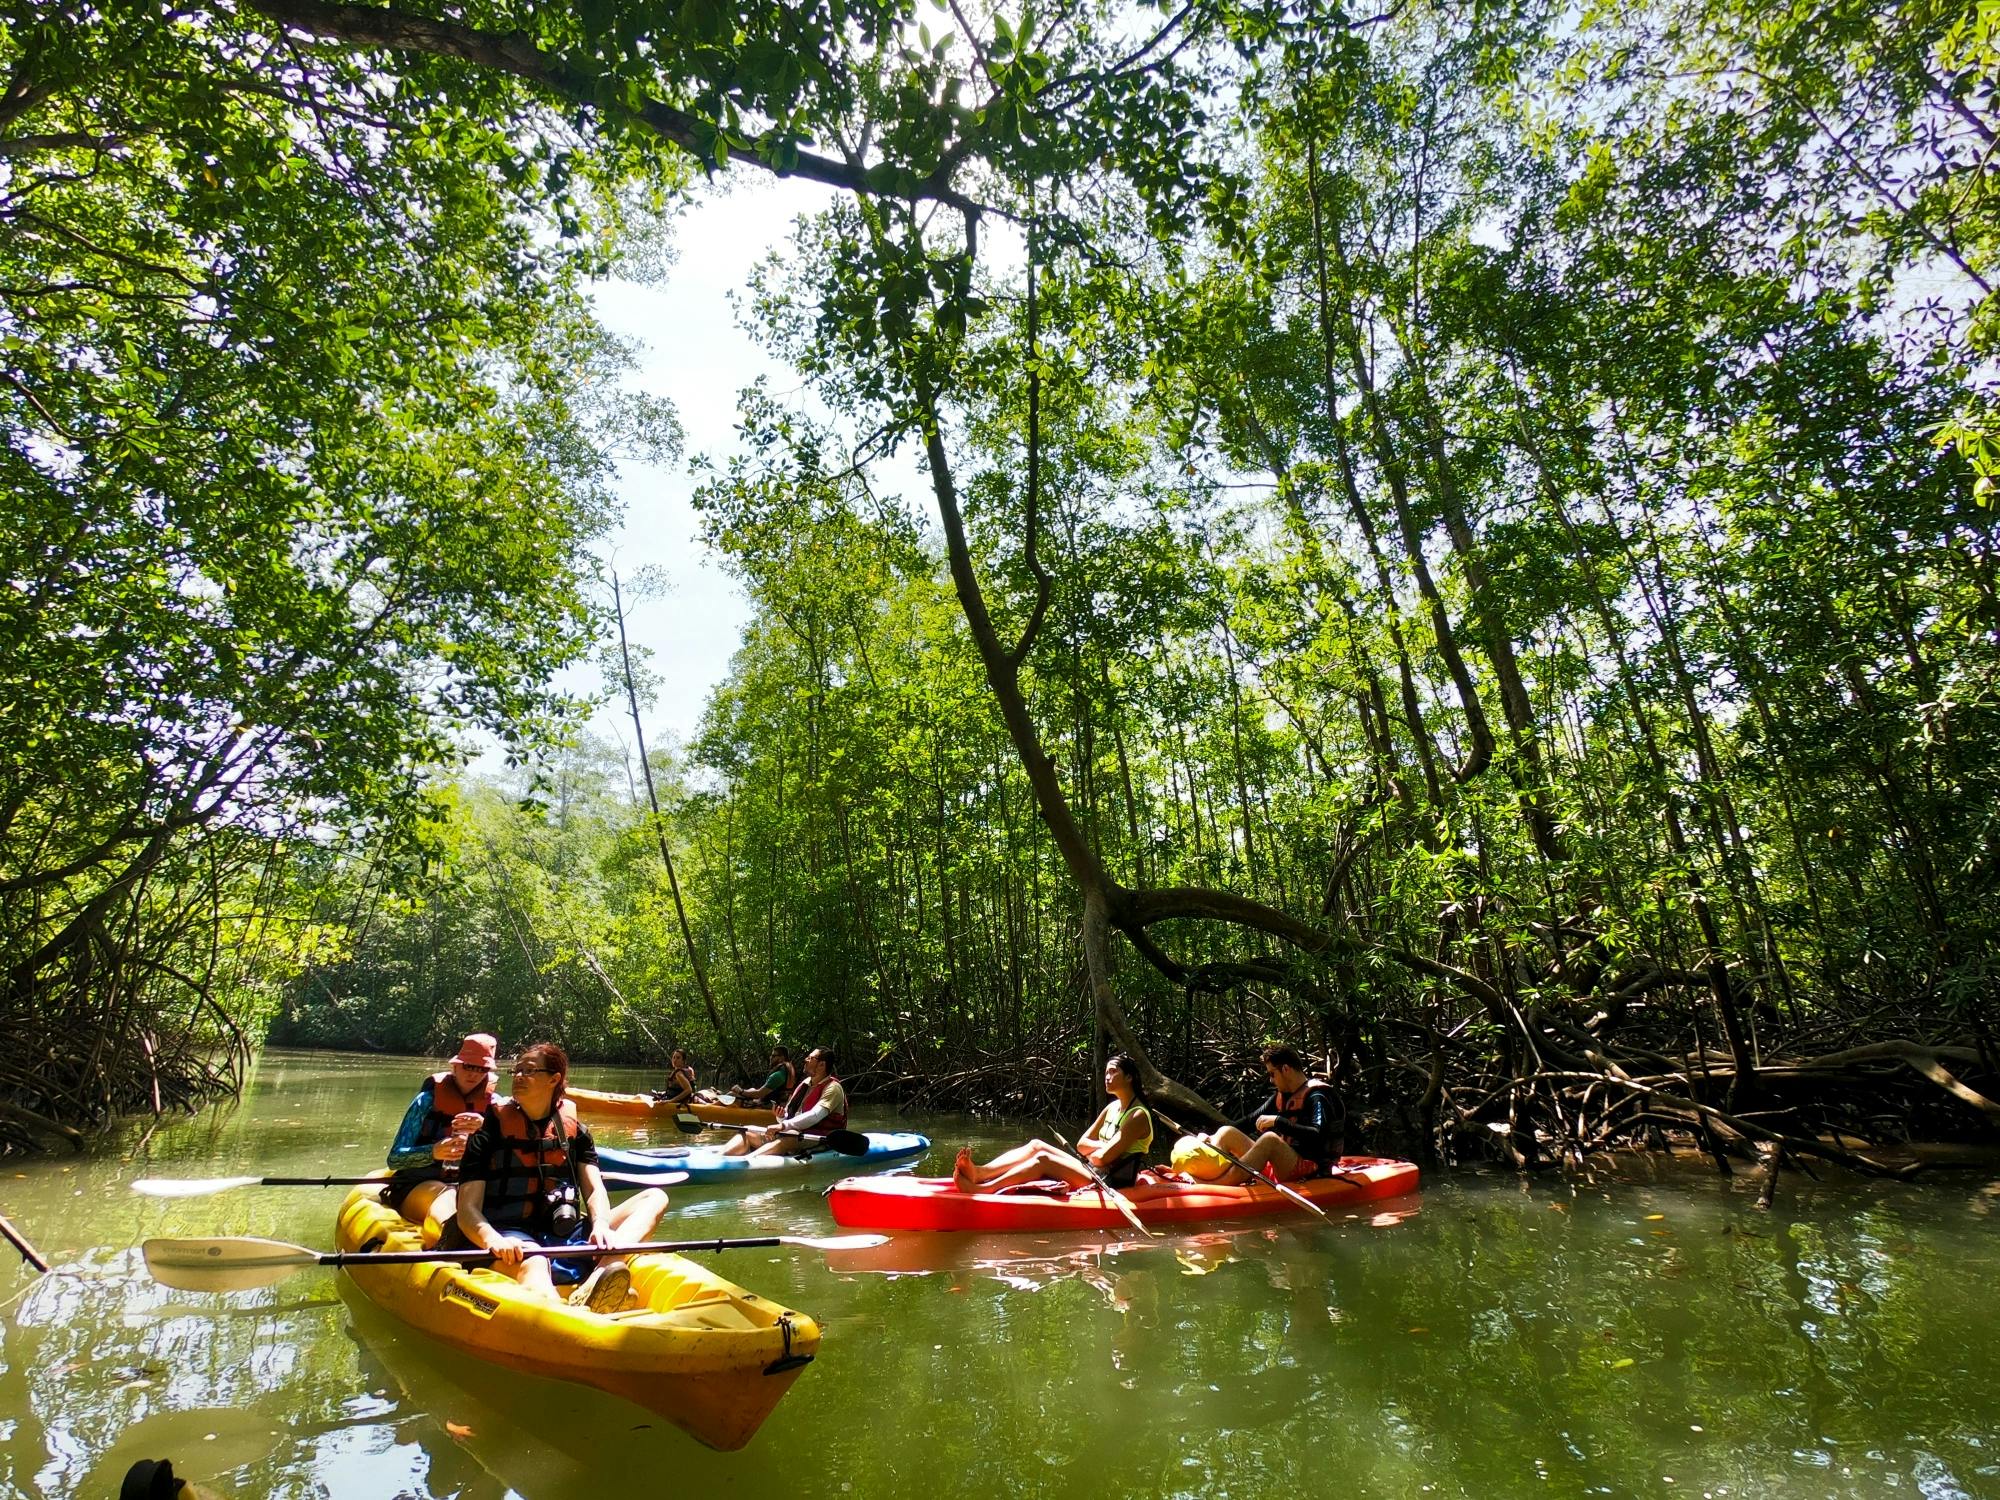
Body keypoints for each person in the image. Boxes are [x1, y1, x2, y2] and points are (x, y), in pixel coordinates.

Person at [454, 1041, 670, 1312]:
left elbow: (594, 1190)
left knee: (654, 1196)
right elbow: (467, 1211)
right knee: (534, 1262)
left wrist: (601, 1226)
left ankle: (601, 1273)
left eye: (529, 1071)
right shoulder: (486, 1134)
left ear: (554, 1079)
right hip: (509, 1238)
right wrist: (492, 1239)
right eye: (517, 1071)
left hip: (563, 1231)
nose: (519, 1076)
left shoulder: (576, 1133)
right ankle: (569, 1316)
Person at [951, 1054, 1156, 1193]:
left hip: (1110, 1181)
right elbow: (1082, 1145)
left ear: (1129, 1077)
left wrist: (1099, 1152)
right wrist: (1104, 1148)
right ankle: (981, 1173)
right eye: (1106, 1073)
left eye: (1113, 1072)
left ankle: (986, 1189)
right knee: (1036, 1145)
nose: (1107, 1077)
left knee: (1042, 1158)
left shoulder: (1137, 1115)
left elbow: (1102, 1159)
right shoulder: (1111, 1108)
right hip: (1094, 1169)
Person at [381, 1032, 498, 1230]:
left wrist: (486, 1129)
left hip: (470, 1185)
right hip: (420, 1184)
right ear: (455, 1066)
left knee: (466, 1195)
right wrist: (433, 1152)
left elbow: (506, 1157)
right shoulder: (425, 1102)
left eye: (482, 1069)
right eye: (469, 1066)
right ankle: (450, 1231)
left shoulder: (495, 1107)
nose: (474, 1074)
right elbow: (394, 1159)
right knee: (448, 1195)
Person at [1197, 1043, 1344, 1185]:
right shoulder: (1283, 1096)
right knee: (1226, 1131)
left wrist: (1278, 1121)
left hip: (1311, 1168)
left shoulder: (1318, 1096)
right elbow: (1249, 1121)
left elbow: (1317, 1134)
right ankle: (1208, 1171)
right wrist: (1211, 1136)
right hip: (1285, 1164)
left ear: (1285, 1069)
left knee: (1270, 1139)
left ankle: (1216, 1183)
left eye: (1272, 1074)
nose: (1271, 1079)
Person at [717, 1047, 846, 1158]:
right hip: (795, 1133)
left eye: (810, 1058)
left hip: (819, 1139)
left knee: (790, 1135)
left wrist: (783, 1126)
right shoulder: (806, 1084)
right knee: (747, 1130)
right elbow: (788, 1118)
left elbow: (815, 1115)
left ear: (822, 1065)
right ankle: (720, 1158)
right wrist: (780, 1117)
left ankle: (747, 1161)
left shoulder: (833, 1088)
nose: (805, 1060)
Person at [713, 1045, 795, 1105]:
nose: (770, 1057)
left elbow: (758, 1094)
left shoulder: (778, 1075)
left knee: (732, 1094)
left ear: (782, 1058)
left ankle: (710, 1107)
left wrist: (740, 1091)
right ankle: (718, 1099)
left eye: (773, 1056)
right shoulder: (786, 1070)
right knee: (751, 1088)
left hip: (768, 1106)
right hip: (775, 1103)